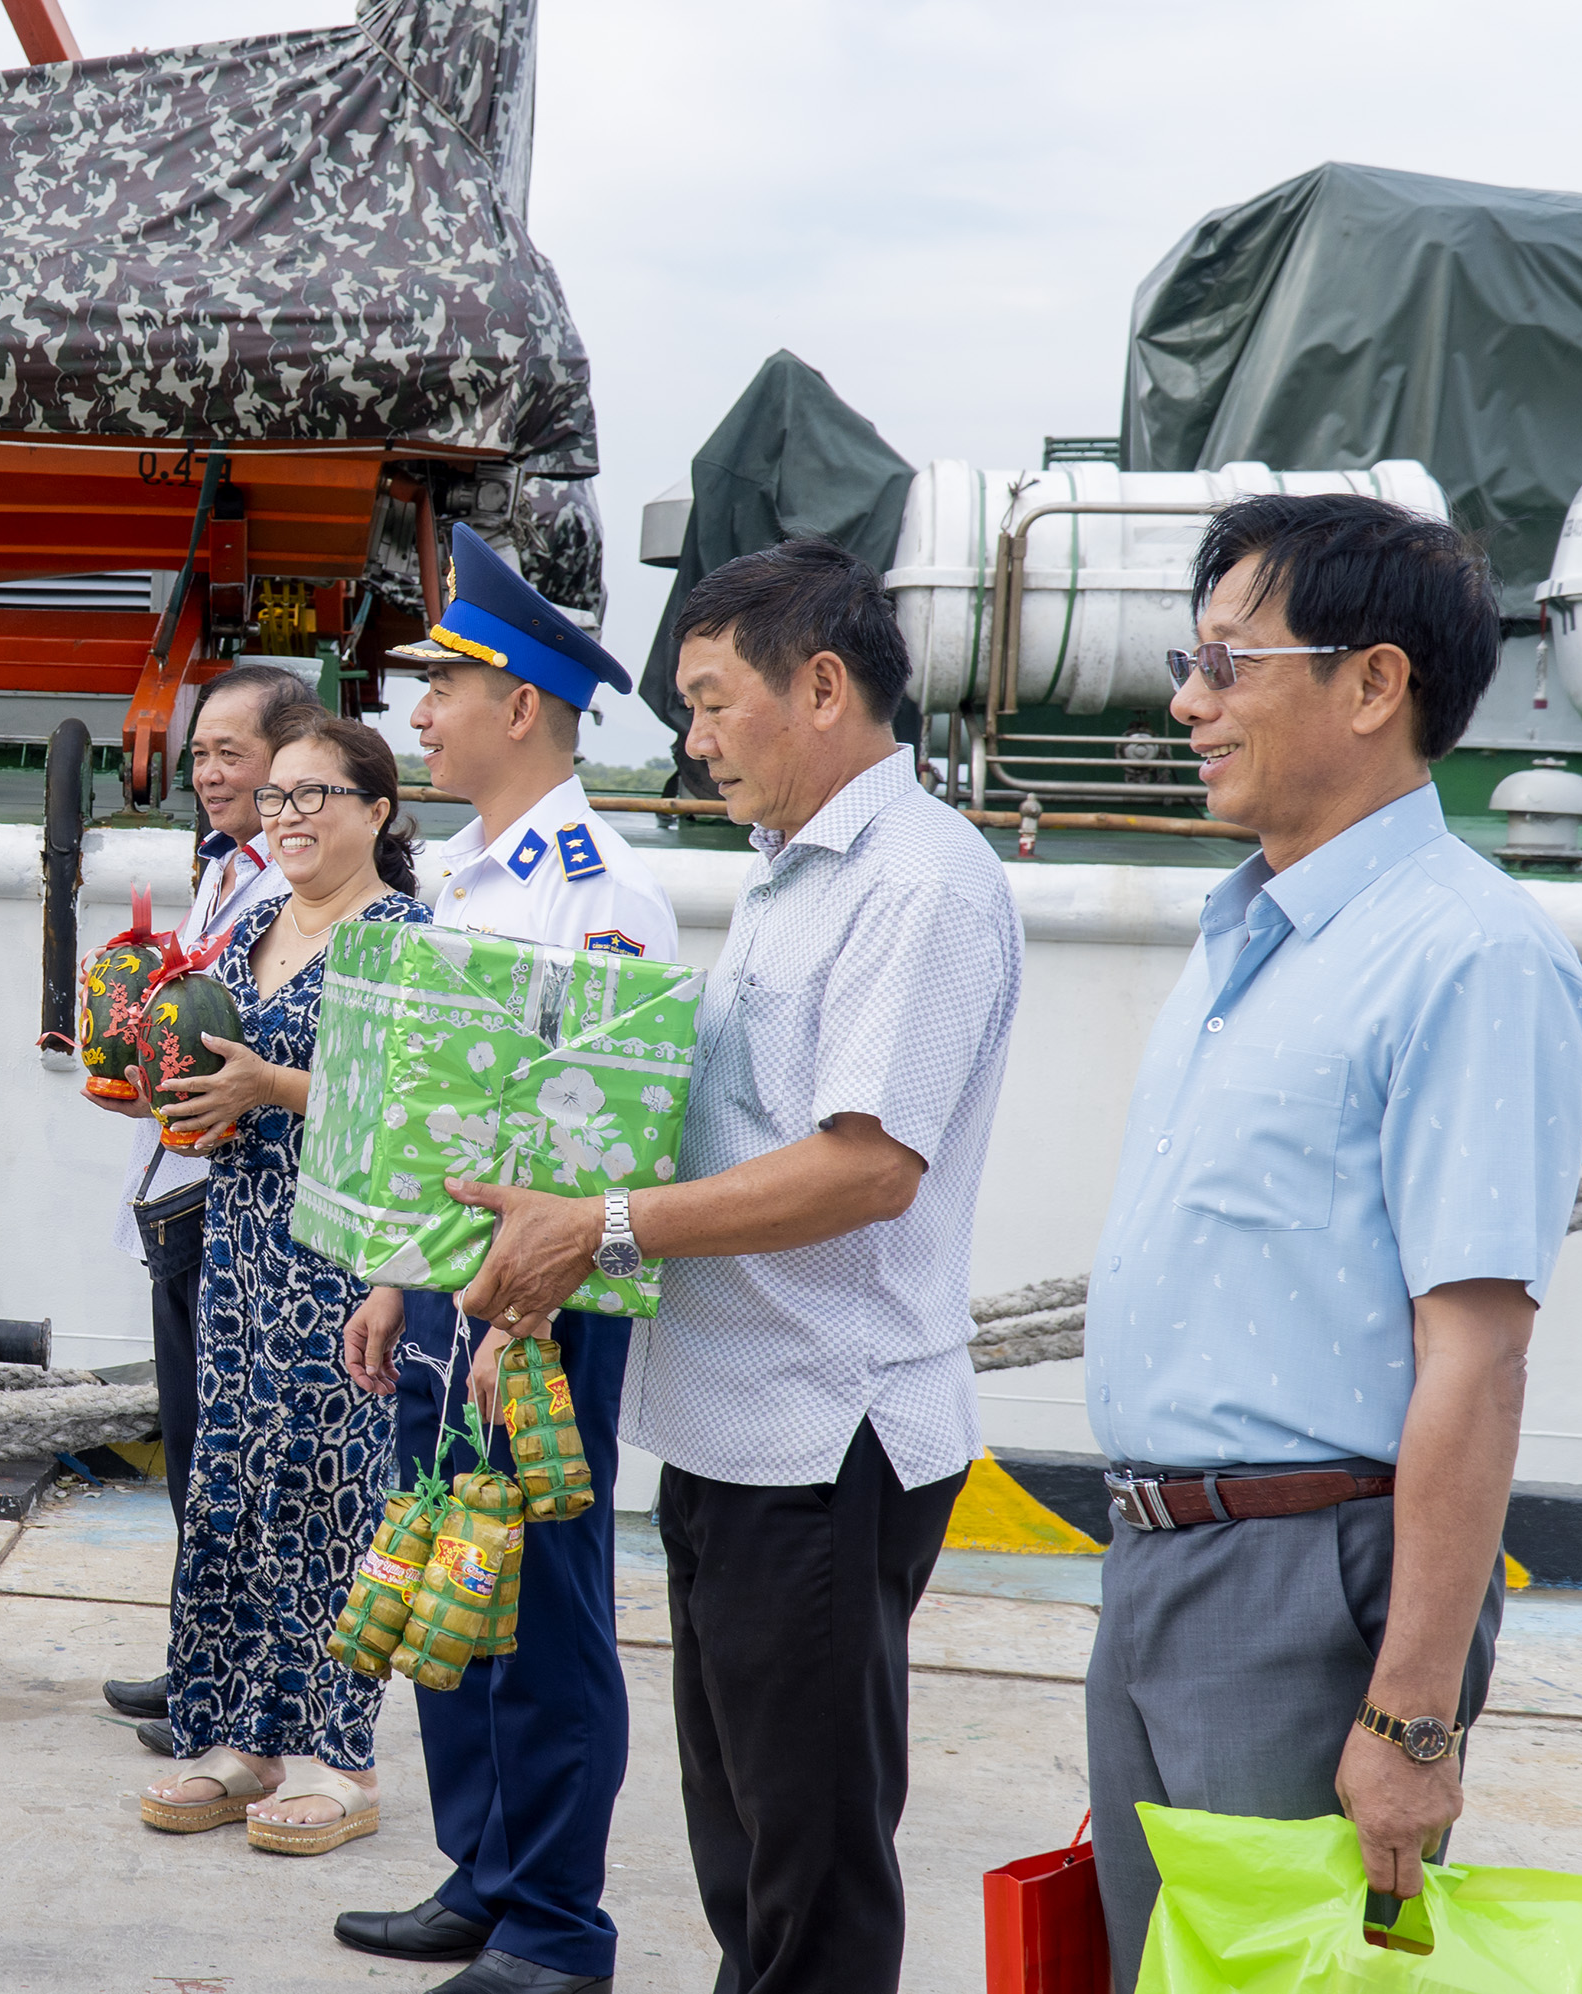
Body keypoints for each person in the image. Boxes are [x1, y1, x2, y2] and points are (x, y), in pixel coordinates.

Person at [443, 539, 1023, 1993]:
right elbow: (712, 1122)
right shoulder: (789, 876)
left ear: (819, 686)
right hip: (729, 1426)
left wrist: (604, 1226)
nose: (690, 741)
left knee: (810, 1865)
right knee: (743, 1847)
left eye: (709, 703)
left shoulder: (915, 886)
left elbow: (861, 1164)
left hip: (826, 1435)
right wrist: (541, 1247)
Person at [1080, 496, 1582, 1982]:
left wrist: (1409, 1718)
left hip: (1306, 1580)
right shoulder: (1246, 935)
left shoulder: (1466, 957)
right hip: (1155, 1564)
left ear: (1370, 685)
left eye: (1223, 664)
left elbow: (1475, 1358)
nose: (1185, 702)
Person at [332, 526, 672, 1994]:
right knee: (445, 1573)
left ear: (517, 702)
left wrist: (508, 1308)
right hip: (450, 1296)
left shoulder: (591, 890)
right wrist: (397, 1274)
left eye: (442, 688)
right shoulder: (471, 875)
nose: (418, 715)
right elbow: (435, 1108)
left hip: (535, 1307)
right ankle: (481, 1870)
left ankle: (553, 1923)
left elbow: (596, 1136)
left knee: (537, 1607)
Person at [136, 712, 433, 1857]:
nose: (291, 817)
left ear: (378, 811)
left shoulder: (404, 938)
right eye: (279, 797)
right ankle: (231, 1733)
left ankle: (335, 1755)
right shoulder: (255, 919)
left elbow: (415, 1110)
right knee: (231, 1478)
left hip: (344, 1252)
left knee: (327, 1497)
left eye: (318, 796)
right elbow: (210, 1064)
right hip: (243, 1235)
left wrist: (271, 1085)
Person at [93, 660, 314, 1738]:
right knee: (195, 1451)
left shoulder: (294, 887)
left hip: (226, 1190)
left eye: (232, 752)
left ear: (291, 759)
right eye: (201, 755)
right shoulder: (227, 872)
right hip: (177, 1183)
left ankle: (236, 1680)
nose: (210, 773)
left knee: (229, 1452)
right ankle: (198, 1656)